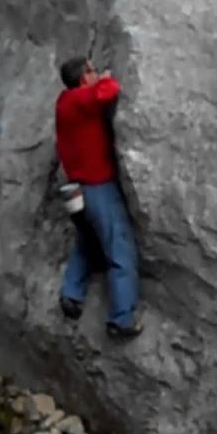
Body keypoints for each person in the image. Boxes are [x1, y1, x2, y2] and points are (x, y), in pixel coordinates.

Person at [54, 56, 143, 338]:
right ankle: (122, 318)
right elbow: (108, 91)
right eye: (92, 71)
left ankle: (71, 293)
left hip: (77, 189)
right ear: (84, 77)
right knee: (120, 248)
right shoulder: (78, 99)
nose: (96, 74)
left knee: (89, 240)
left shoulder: (64, 102)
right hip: (97, 187)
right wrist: (105, 79)